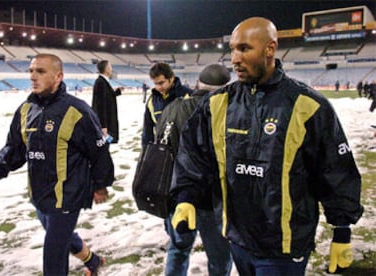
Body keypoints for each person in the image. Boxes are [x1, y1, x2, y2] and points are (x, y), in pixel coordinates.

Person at [170, 17, 363, 276]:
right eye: (233, 49)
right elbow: (193, 155)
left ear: (270, 49)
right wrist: (186, 197)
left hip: (283, 248)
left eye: (244, 48)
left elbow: (336, 171)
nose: (234, 59)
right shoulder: (216, 105)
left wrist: (342, 230)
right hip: (238, 241)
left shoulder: (308, 106)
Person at [0, 53, 114, 276]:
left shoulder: (77, 111)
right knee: (60, 236)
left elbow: (98, 152)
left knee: (54, 255)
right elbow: (14, 148)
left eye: (40, 71)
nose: (33, 76)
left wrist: (100, 185)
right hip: (40, 194)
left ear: (58, 76)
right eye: (31, 71)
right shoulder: (25, 110)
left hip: (68, 194)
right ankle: (94, 261)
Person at [156, 64, 233, 276]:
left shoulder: (173, 107)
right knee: (220, 257)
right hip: (211, 198)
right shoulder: (225, 111)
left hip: (177, 193)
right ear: (225, 88)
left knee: (178, 248)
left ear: (198, 84)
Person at [141, 62, 192, 147]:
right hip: (162, 152)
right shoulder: (152, 100)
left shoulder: (189, 96)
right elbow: (147, 130)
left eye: (161, 83)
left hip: (185, 150)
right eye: (155, 84)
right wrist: (145, 151)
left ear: (171, 78)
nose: (158, 87)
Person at [91, 60, 122, 144]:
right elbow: (100, 105)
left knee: (107, 144)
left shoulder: (103, 81)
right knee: (104, 145)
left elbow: (107, 98)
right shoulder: (101, 82)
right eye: (110, 67)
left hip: (106, 122)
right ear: (106, 69)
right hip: (105, 123)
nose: (111, 69)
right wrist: (103, 126)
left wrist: (117, 92)